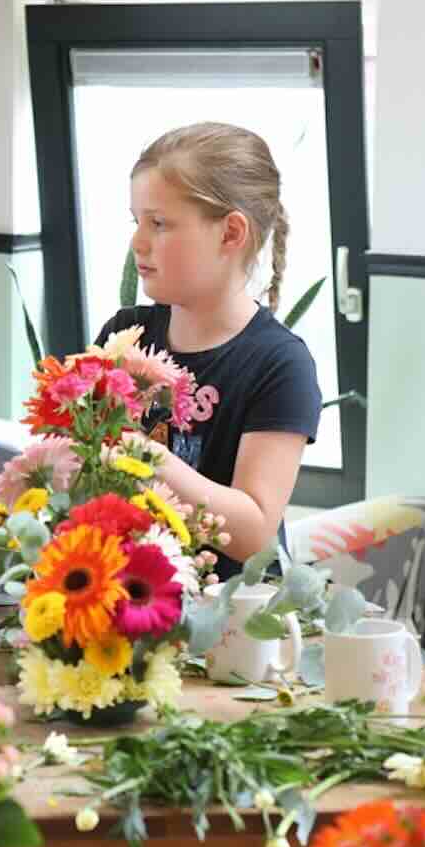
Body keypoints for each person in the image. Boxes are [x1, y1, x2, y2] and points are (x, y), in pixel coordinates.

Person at [95, 121, 322, 576]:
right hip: (122, 598)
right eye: (137, 221)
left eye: (159, 223)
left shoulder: (281, 364)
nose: (138, 242)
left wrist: (146, 457)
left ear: (231, 233)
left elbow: (254, 531)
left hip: (235, 619)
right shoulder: (125, 333)